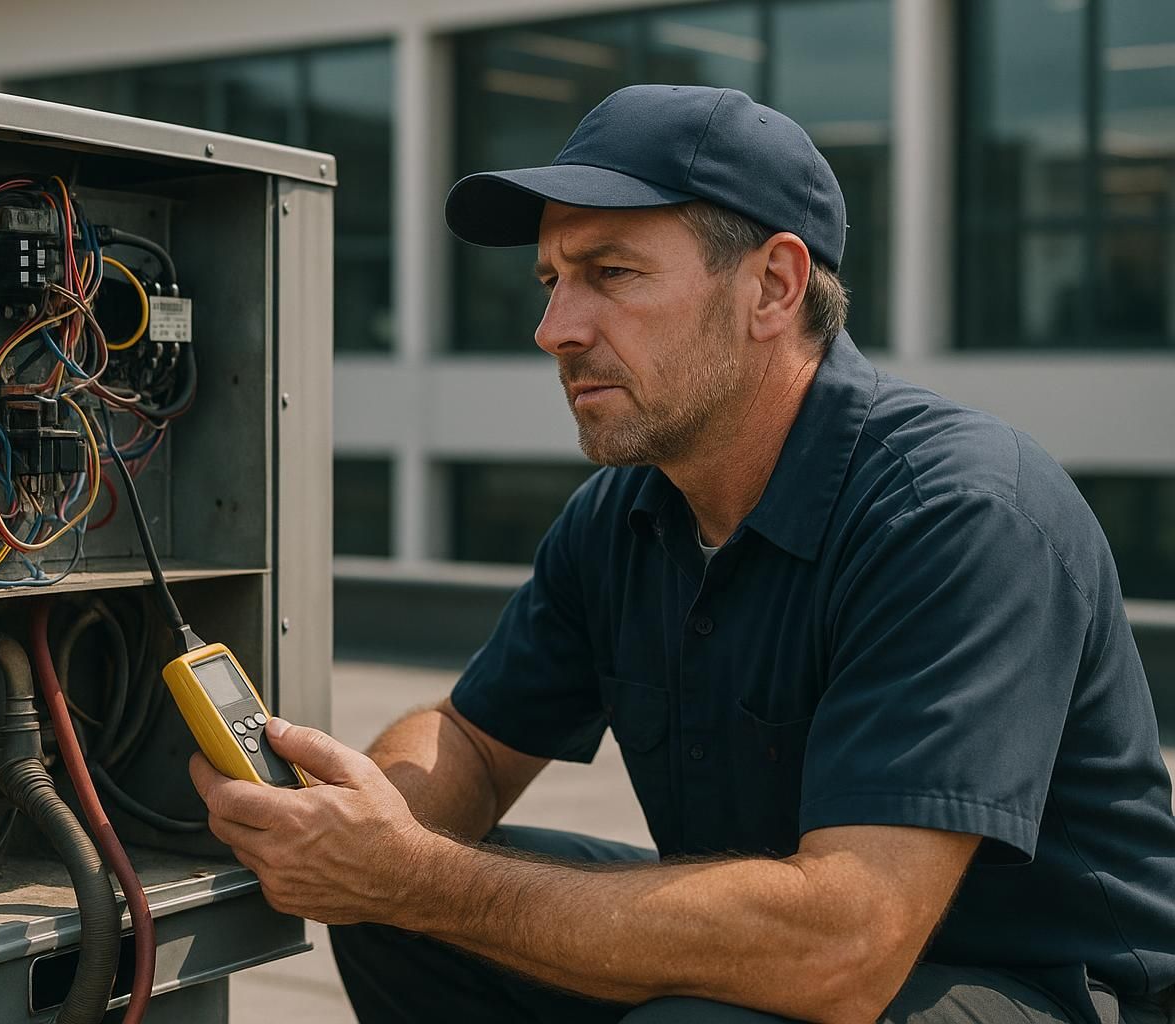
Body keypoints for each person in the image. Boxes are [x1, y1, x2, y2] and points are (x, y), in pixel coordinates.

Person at [188, 85, 1175, 1023]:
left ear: (772, 287)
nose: (553, 329)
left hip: (1051, 991)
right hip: (801, 950)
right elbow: (476, 744)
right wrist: (375, 827)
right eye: (550, 280)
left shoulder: (957, 513)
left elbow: (841, 948)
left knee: (693, 1009)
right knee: (409, 926)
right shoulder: (623, 515)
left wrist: (423, 877)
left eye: (611, 274)